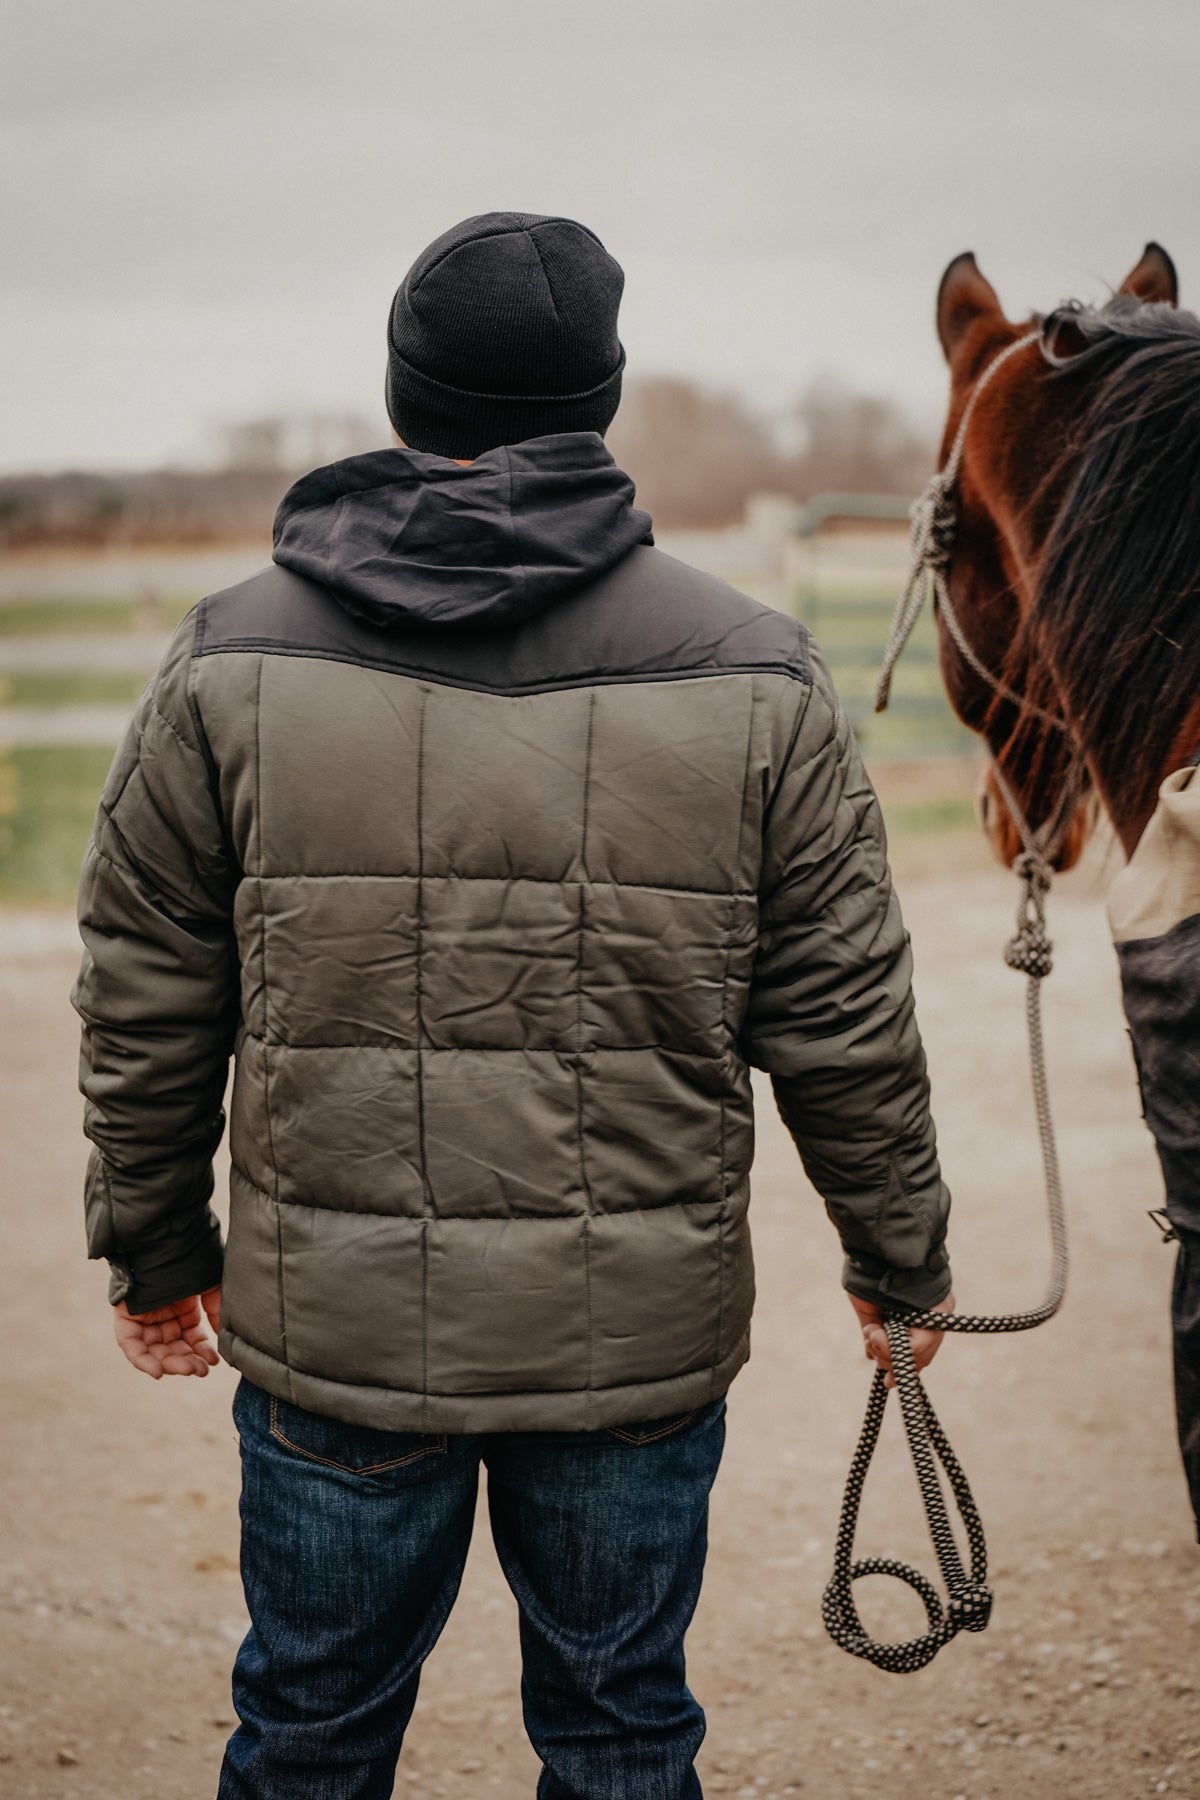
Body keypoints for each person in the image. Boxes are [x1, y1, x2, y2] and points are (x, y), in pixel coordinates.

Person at [73, 211, 954, 1800]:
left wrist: (153, 1247)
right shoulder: (756, 671)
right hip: (634, 1351)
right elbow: (844, 1012)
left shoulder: (225, 658)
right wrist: (901, 1260)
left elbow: (148, 992)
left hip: (337, 1343)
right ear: (599, 403)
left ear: (404, 395)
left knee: (309, 1735)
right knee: (622, 1736)